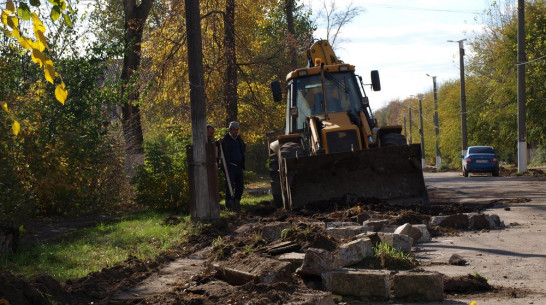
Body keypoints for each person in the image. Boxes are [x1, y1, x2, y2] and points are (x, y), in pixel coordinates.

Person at [220, 121, 246, 211]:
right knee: (229, 185)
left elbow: (242, 149)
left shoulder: (239, 139)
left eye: (237, 130)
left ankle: (237, 201)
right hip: (230, 166)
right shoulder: (225, 140)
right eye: (234, 130)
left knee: (240, 185)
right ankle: (229, 204)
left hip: (238, 166)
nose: (235, 131)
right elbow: (217, 146)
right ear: (230, 130)